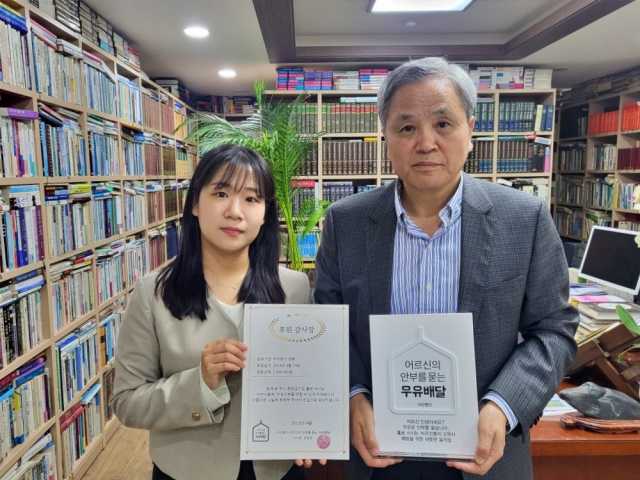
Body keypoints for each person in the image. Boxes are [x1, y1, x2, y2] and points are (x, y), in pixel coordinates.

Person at [314, 57, 579, 480]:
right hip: (378, 454)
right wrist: (353, 393)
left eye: (442, 124)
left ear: (470, 131)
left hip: (484, 456)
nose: (425, 143)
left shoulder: (524, 219)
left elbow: (553, 330)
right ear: (385, 136)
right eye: (406, 128)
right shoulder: (345, 222)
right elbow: (329, 326)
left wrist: (502, 405)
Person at [112, 144, 311, 480]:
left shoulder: (295, 288)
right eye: (221, 193)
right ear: (195, 203)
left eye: (251, 198)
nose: (235, 211)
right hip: (187, 471)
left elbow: (306, 382)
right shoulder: (153, 294)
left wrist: (310, 425)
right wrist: (200, 383)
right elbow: (126, 402)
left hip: (277, 469)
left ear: (265, 213)